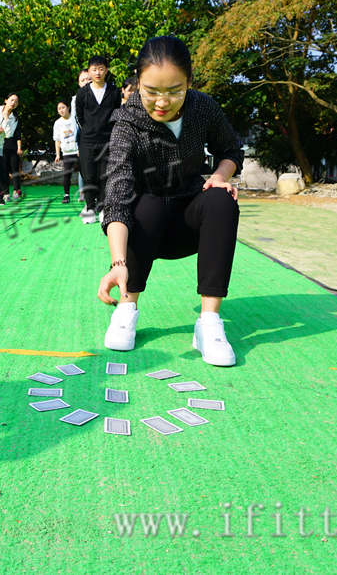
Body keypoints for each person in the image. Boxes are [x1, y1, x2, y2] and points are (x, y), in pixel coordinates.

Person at [96, 36, 243, 367]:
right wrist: (118, 264)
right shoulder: (127, 121)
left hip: (190, 219)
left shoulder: (203, 107)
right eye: (151, 91)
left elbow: (231, 150)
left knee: (221, 199)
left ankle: (209, 323)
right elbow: (117, 196)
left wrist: (220, 175)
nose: (162, 102)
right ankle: (127, 306)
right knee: (144, 202)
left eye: (175, 91)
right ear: (137, 83)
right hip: (145, 227)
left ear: (189, 82)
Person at [73, 56, 122, 224]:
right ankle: (90, 208)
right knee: (88, 175)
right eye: (94, 69)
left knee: (104, 176)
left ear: (106, 70)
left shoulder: (114, 92)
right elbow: (79, 115)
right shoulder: (83, 93)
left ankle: (102, 208)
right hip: (87, 140)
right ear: (89, 71)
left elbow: (117, 113)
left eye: (101, 69)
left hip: (107, 140)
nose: (98, 72)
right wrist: (88, 130)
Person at [52, 100, 80, 203]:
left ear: (68, 107)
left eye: (63, 107)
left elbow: (81, 134)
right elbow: (57, 140)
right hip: (67, 152)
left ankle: (89, 195)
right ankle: (66, 195)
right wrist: (58, 154)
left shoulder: (75, 119)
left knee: (86, 174)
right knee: (67, 175)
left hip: (78, 151)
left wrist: (80, 149)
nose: (61, 110)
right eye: (59, 109)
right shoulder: (58, 123)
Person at [72, 69, 91, 202]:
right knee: (84, 167)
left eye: (88, 79)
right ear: (79, 84)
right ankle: (83, 193)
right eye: (82, 80)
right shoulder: (75, 99)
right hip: (83, 136)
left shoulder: (102, 95)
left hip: (100, 137)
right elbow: (76, 121)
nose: (86, 82)